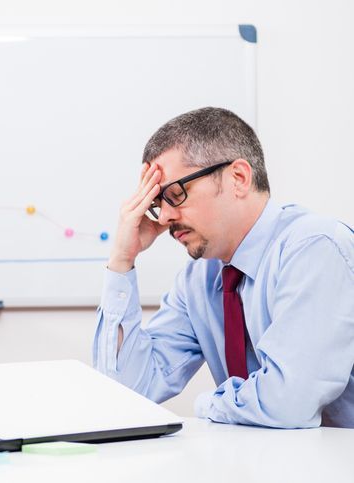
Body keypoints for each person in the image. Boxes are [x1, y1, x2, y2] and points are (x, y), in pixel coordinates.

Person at [93, 107, 353, 428]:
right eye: (157, 204)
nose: (163, 219)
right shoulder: (199, 279)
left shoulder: (314, 247)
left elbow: (287, 403)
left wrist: (206, 403)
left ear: (239, 178)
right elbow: (126, 391)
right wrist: (122, 260)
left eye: (175, 194)